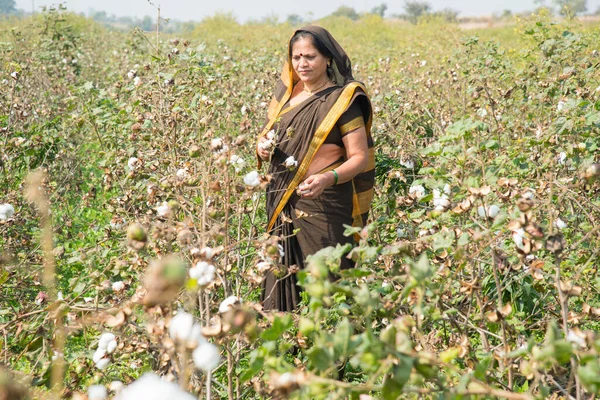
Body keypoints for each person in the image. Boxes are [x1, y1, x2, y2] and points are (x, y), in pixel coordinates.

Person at [256, 26, 374, 312]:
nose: (302, 64)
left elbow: (359, 157)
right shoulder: (287, 100)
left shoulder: (342, 101)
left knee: (328, 287)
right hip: (284, 204)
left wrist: (327, 178)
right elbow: (269, 138)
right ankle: (286, 350)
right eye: (296, 57)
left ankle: (335, 353)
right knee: (281, 281)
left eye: (310, 56)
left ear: (328, 59)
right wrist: (261, 147)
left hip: (324, 205)